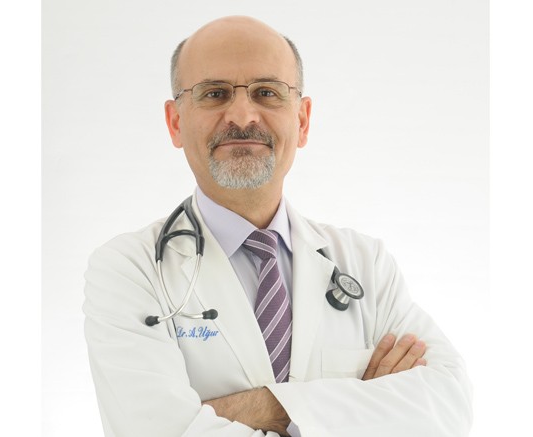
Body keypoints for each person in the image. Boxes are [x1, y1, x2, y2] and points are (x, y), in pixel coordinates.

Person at [83, 16, 473, 437]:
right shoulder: (129, 270)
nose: (242, 114)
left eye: (267, 92)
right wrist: (361, 401)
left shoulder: (366, 264)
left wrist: (261, 407)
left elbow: (449, 406)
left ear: (302, 120)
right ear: (175, 122)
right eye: (214, 93)